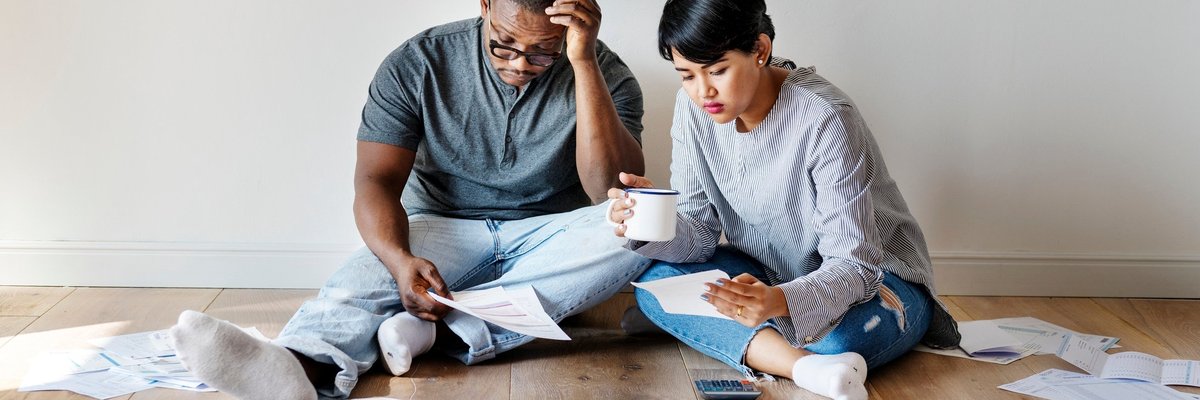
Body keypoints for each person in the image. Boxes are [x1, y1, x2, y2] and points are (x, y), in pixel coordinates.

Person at [168, 0, 651, 398]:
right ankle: (295, 367)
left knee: (640, 229)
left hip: (551, 234)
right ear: (484, 6)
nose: (520, 63)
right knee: (363, 277)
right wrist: (400, 260)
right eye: (503, 44)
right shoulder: (419, 61)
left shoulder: (605, 71)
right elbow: (374, 182)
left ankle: (440, 333)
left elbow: (607, 188)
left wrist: (581, 62)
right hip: (441, 225)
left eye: (543, 52)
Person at [606, 1, 962, 399]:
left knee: (836, 339)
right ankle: (806, 368)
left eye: (718, 70)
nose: (702, 91)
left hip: (880, 281)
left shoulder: (826, 116)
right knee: (654, 281)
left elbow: (857, 265)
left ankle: (725, 332)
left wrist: (778, 301)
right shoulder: (693, 109)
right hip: (771, 271)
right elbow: (701, 235)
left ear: (759, 50)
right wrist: (647, 219)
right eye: (686, 75)